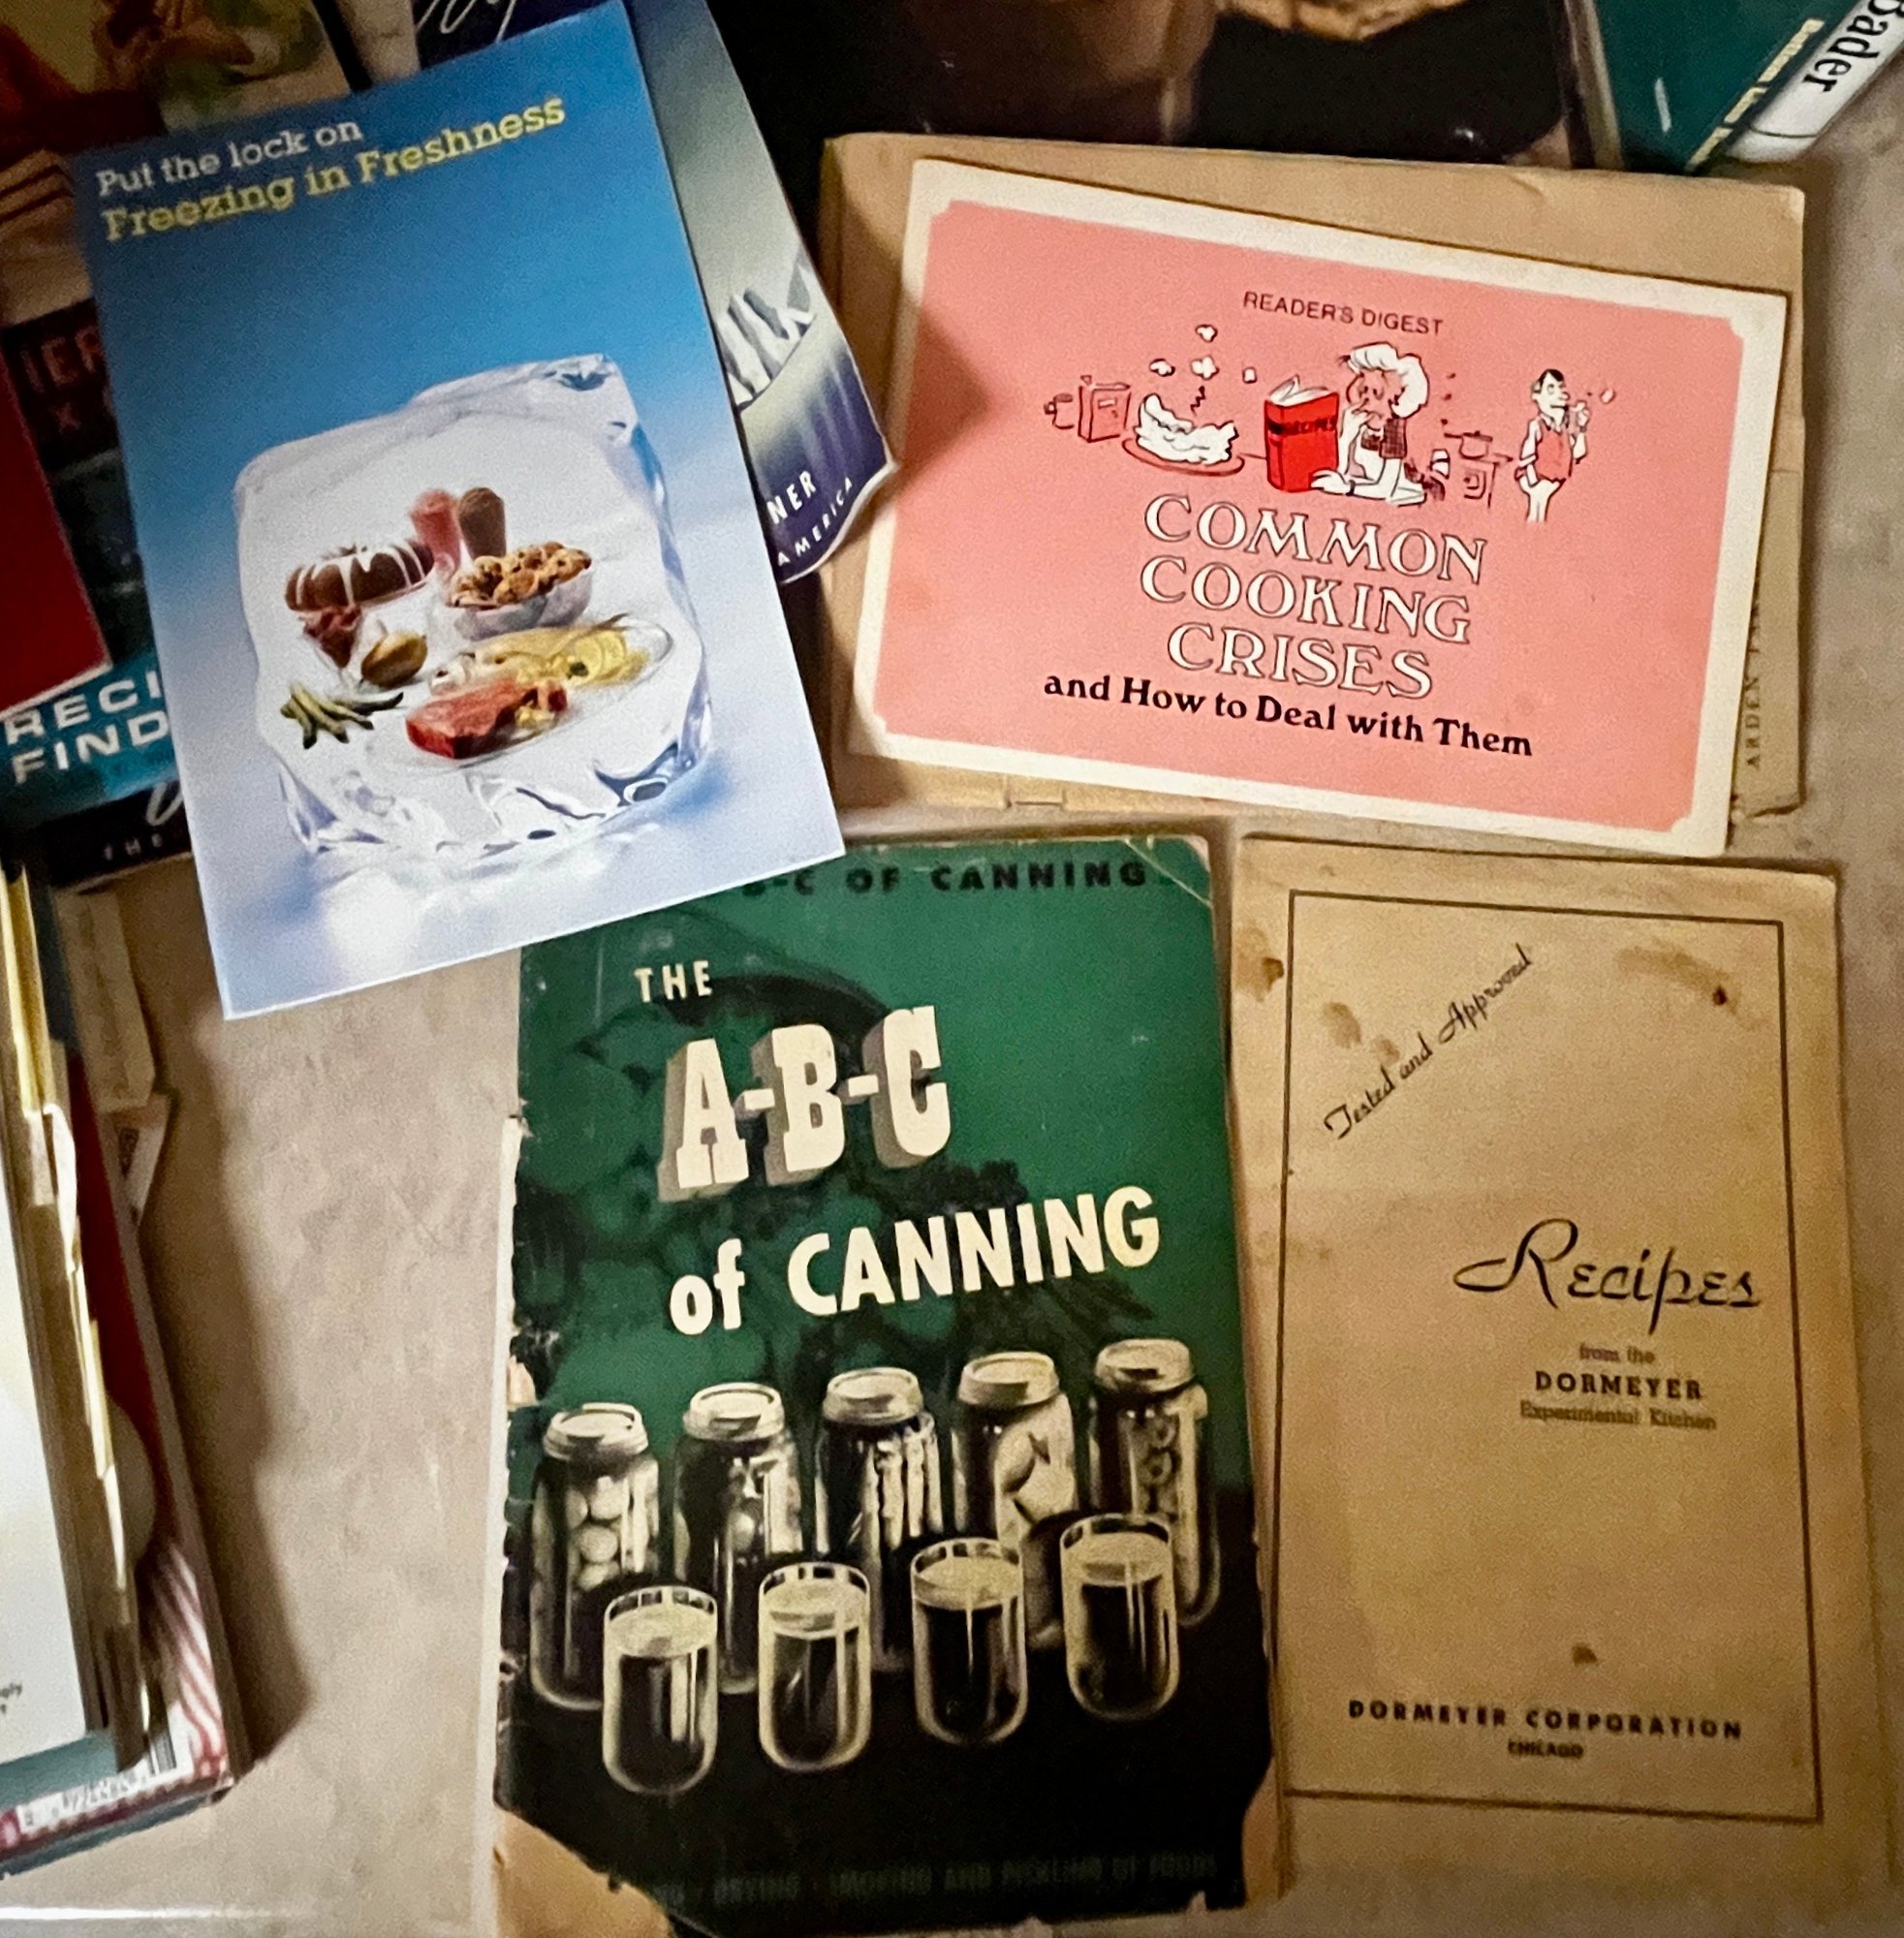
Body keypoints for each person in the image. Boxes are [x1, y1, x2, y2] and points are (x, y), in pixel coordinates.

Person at [1312, 341, 1432, 506]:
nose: (1365, 398)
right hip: (1363, 486)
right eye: (1362, 389)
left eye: (1375, 392)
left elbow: (1385, 489)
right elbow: (1341, 470)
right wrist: (1345, 438)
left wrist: (1347, 488)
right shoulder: (1357, 420)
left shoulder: (1392, 428)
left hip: (1395, 494)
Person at [1515, 367, 1589, 523]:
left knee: (1540, 510)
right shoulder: (1537, 425)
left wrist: (1582, 428)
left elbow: (1578, 452)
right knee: (1537, 509)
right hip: (1537, 477)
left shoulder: (1565, 429)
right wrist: (1534, 482)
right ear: (1537, 395)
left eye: (1559, 388)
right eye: (1550, 388)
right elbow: (1526, 457)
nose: (1557, 393)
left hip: (1553, 479)